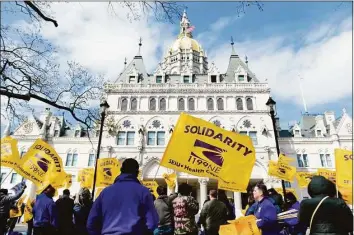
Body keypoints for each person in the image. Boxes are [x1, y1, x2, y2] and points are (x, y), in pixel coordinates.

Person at [87, 158, 159, 235]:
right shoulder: (143, 192)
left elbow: (91, 223)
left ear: (121, 170)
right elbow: (152, 222)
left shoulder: (105, 192)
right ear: (137, 173)